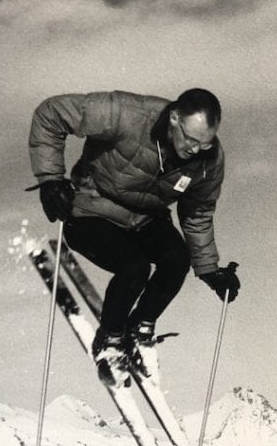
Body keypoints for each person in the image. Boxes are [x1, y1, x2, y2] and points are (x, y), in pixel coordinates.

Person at [28, 87, 240, 383]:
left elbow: (198, 213)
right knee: (135, 268)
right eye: (191, 139)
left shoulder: (209, 160)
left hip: (144, 218)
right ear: (175, 118)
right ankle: (110, 342)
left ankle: (140, 331)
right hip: (91, 208)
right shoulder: (127, 114)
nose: (195, 149)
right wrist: (51, 180)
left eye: (203, 144)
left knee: (177, 260)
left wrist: (209, 269)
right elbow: (52, 112)